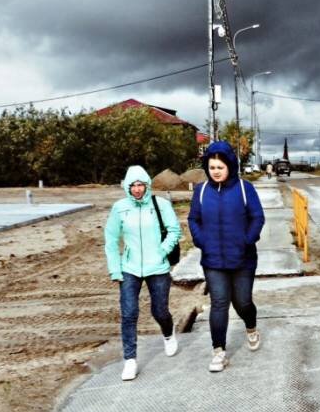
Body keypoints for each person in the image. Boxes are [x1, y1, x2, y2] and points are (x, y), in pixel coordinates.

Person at [188, 141, 265, 373]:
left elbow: (257, 217)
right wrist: (202, 241)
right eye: (212, 167)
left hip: (242, 258)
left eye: (220, 167)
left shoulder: (244, 188)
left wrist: (246, 240)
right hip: (213, 260)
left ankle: (251, 327)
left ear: (229, 165)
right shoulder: (201, 191)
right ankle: (219, 351)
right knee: (219, 303)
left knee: (242, 302)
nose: (216, 171)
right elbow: (193, 219)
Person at [104, 166, 181, 381]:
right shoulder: (119, 208)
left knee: (160, 311)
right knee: (129, 314)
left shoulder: (161, 205)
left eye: (141, 185)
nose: (137, 189)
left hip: (157, 267)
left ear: (147, 185)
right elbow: (110, 240)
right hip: (129, 268)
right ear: (127, 187)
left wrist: (162, 252)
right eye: (133, 186)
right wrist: (115, 269)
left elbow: (174, 230)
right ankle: (130, 360)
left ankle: (168, 333)